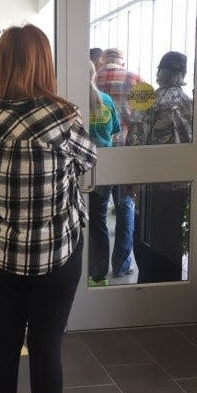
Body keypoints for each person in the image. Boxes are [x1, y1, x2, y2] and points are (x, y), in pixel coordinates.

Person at [0, 25, 97, 393]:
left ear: (3, 65)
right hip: (55, 255)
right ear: (44, 62)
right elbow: (89, 161)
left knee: (1, 343)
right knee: (46, 347)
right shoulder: (65, 117)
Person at [128, 51, 193, 283]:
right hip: (183, 183)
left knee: (146, 237)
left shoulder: (149, 102)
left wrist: (130, 182)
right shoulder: (191, 104)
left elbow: (136, 141)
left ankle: (149, 284)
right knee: (172, 236)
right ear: (182, 74)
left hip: (152, 184)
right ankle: (172, 284)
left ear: (160, 73)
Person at [95, 48, 145, 278]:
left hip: (101, 152)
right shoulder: (135, 79)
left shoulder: (94, 77)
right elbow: (145, 115)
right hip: (127, 152)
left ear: (104, 60)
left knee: (99, 210)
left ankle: (98, 266)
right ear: (122, 61)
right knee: (125, 208)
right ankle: (121, 264)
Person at [86, 61, 121, 287]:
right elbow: (116, 131)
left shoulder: (73, 102)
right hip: (105, 165)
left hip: (81, 166)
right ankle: (99, 275)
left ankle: (82, 272)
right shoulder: (107, 101)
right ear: (94, 74)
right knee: (99, 221)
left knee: (79, 220)